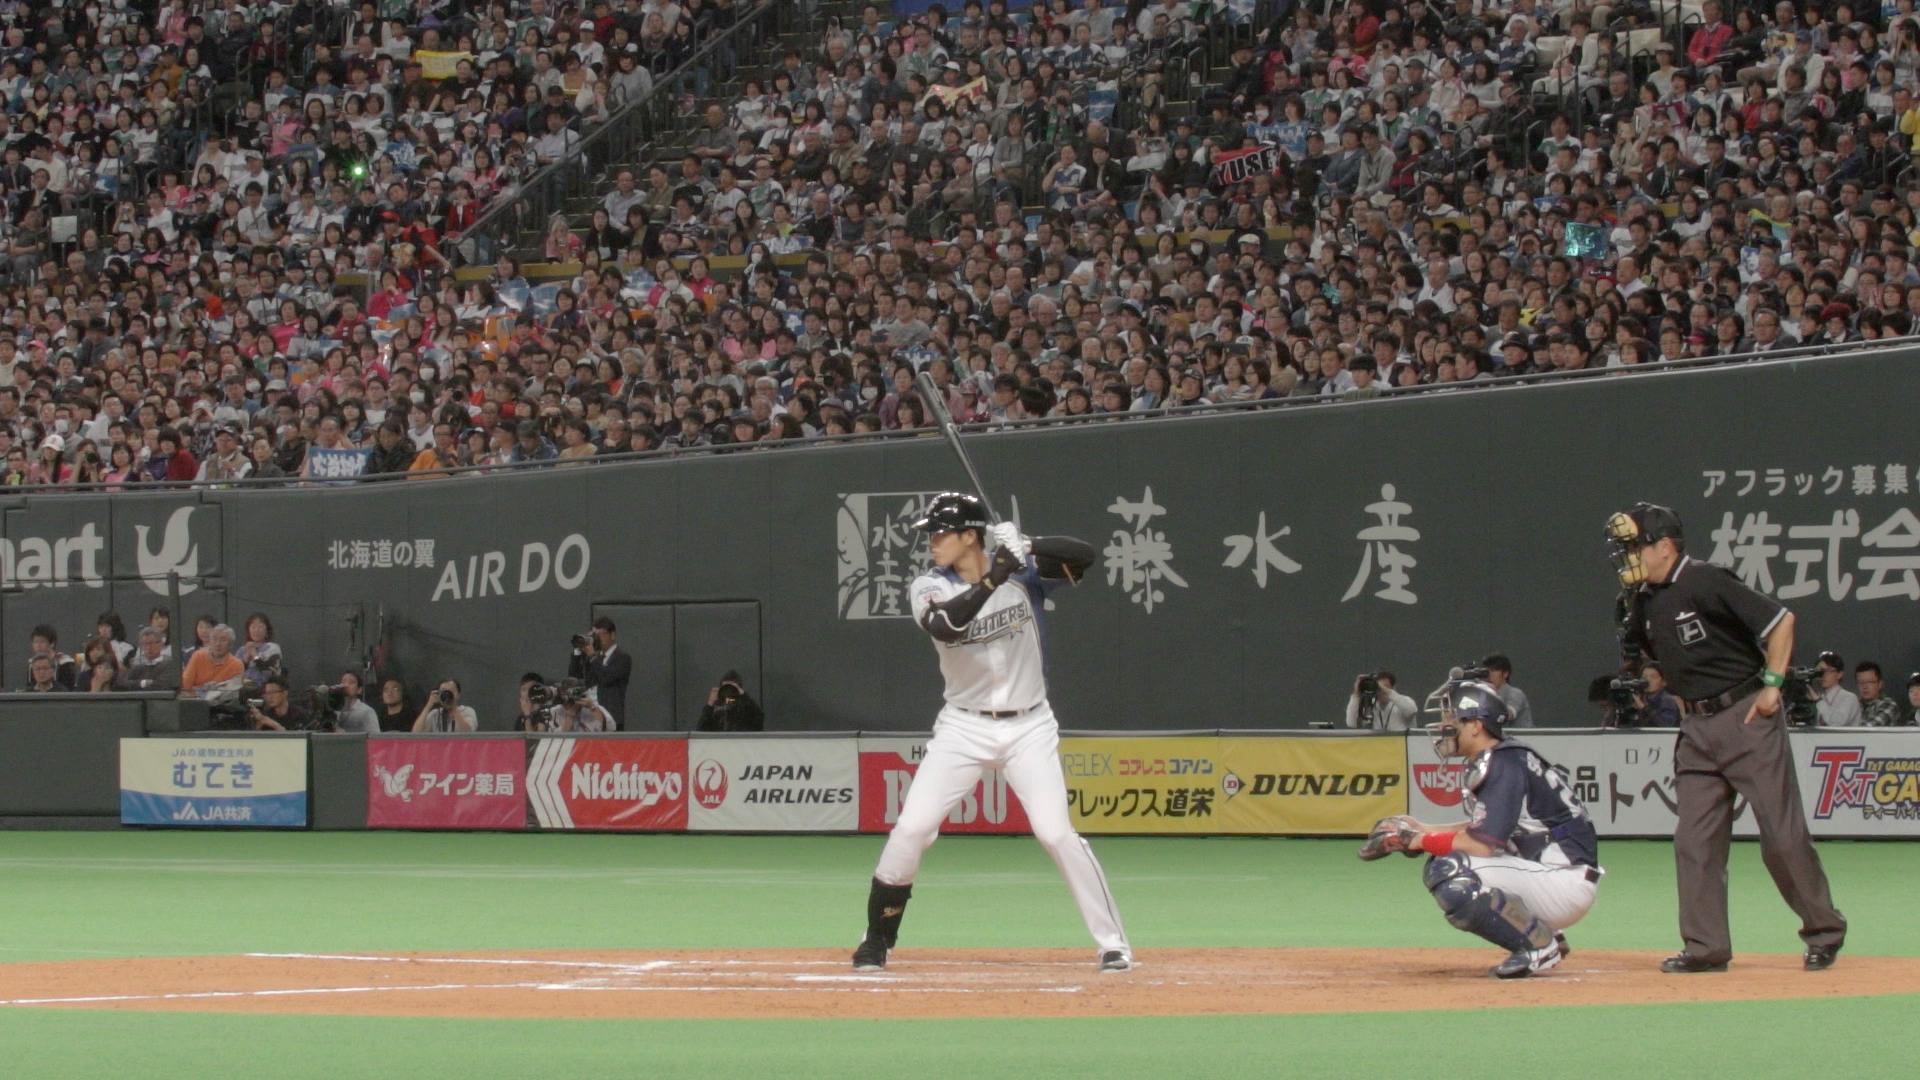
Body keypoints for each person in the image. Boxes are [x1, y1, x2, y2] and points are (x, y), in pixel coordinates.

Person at [852, 492, 1130, 974]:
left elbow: (1086, 555)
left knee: (1056, 833)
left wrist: (1027, 543)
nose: (932, 542)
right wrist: (994, 574)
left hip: (1030, 726)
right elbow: (947, 628)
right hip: (963, 726)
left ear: (969, 536)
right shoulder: (928, 586)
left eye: (941, 533)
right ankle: (876, 939)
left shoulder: (1025, 574)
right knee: (913, 828)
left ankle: (1113, 943)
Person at [1607, 502, 1845, 973]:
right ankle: (1706, 947)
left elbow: (1782, 622)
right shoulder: (1643, 601)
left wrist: (1773, 687)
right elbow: (1652, 656)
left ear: (1666, 546)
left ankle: (1824, 931)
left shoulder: (1705, 580)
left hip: (1746, 714)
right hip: (1696, 729)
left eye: (1635, 547)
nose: (1628, 557)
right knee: (1693, 841)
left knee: (1781, 834)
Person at [1358, 674, 1600, 978]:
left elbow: (1482, 843)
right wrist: (1423, 828)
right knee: (1452, 855)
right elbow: (1486, 827)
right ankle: (1537, 932)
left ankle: (1537, 944)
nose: (1445, 725)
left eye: (1453, 718)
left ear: (1476, 725)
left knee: (1450, 869)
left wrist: (1418, 840)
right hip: (1553, 871)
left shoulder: (1503, 763)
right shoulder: (1505, 757)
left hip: (1562, 881)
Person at [567, 615, 632, 729]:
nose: (597, 638)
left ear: (612, 635)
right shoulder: (593, 658)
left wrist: (592, 656)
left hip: (610, 718)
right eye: (594, 635)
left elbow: (606, 677)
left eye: (600, 634)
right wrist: (577, 650)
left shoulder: (622, 658)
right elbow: (574, 677)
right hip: (589, 718)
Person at [179, 624, 244, 696]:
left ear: (231, 644)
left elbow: (233, 693)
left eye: (223, 640)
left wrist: (201, 690)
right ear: (209, 642)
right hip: (196, 702)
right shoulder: (198, 656)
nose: (218, 644)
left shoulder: (237, 664)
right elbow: (185, 686)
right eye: (214, 639)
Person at [1344, 671, 1417, 730]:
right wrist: (1356, 695)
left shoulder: (1404, 700)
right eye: (1378, 687)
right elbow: (1352, 723)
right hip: (1381, 746)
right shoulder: (1373, 706)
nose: (1381, 690)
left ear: (1393, 688)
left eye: (1386, 686)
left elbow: (1411, 710)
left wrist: (1386, 691)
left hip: (1404, 746)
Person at [698, 670, 765, 731]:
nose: (729, 692)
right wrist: (710, 704)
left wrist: (744, 696)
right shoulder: (716, 709)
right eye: (726, 688)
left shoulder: (746, 706)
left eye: (732, 689)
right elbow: (701, 729)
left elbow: (758, 721)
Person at [1810, 652, 1863, 727]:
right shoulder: (1819, 697)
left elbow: (1837, 723)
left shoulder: (1849, 698)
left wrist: (1818, 701)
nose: (1823, 675)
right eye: (1820, 671)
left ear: (1839, 674)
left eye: (1828, 671)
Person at [1480, 654, 1533, 726]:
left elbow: (1508, 714)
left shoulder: (1516, 693)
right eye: (1486, 671)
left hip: (1519, 736)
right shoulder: (1482, 693)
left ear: (1505, 674)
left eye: (1493, 670)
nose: (1488, 674)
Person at [413, 678, 478, 732]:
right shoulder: (435, 714)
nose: (447, 695)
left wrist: (454, 709)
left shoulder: (467, 711)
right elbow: (416, 733)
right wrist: (428, 706)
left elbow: (468, 733)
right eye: (444, 692)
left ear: (458, 695)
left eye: (450, 692)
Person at [1852, 663, 1903, 728]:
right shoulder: (1855, 704)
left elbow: (1867, 729)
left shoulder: (1890, 705)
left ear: (1880, 684)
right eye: (1861, 682)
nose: (1864, 686)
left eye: (1870, 682)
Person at [1637, 663, 1683, 727]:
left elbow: (1666, 725)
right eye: (1644, 677)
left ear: (1664, 682)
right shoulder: (1643, 698)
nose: (1647, 680)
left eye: (1653, 677)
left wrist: (1644, 708)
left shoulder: (1667, 700)